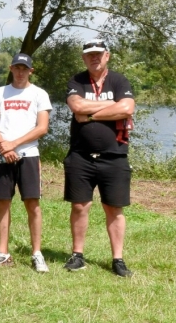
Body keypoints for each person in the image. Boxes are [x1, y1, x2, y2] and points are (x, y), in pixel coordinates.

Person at [63, 39, 136, 277]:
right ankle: (77, 255)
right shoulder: (77, 81)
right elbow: (77, 106)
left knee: (114, 208)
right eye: (89, 55)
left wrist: (92, 115)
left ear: (107, 56)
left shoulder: (119, 80)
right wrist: (111, 105)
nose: (94, 58)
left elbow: (127, 109)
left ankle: (118, 260)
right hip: (80, 156)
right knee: (79, 206)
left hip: (114, 156)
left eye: (98, 54)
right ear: (83, 58)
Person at [0, 53, 51, 273]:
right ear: (11, 69)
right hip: (2, 155)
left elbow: (42, 127)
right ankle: (2, 252)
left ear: (31, 71)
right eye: (17, 68)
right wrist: (4, 145)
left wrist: (14, 144)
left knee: (32, 203)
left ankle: (37, 253)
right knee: (3, 202)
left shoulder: (39, 94)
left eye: (25, 69)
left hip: (28, 155)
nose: (21, 72)